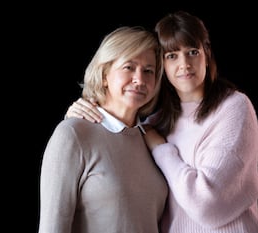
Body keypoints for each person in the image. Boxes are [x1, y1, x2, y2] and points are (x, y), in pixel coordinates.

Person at [66, 11, 258, 233]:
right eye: (172, 55)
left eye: (192, 52)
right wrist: (79, 117)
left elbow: (207, 205)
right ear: (161, 65)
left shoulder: (233, 108)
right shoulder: (155, 123)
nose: (184, 64)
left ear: (206, 55)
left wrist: (162, 149)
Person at [38, 26, 168, 233]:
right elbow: (52, 228)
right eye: (129, 67)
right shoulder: (73, 134)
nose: (139, 79)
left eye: (148, 71)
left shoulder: (152, 140)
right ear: (104, 74)